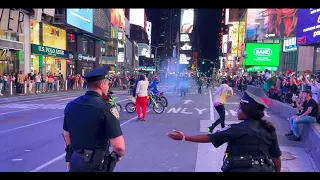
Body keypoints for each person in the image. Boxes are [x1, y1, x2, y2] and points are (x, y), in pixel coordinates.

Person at [167, 91, 282, 172]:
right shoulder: (269, 129)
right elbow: (276, 157)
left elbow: (210, 138)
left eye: (239, 108)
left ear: (247, 111)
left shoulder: (237, 129)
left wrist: (184, 137)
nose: (237, 111)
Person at [63, 65, 125, 172]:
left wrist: (69, 158)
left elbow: (66, 135)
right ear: (102, 85)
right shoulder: (106, 108)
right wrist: (117, 157)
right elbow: (119, 146)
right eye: (107, 84)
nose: (108, 87)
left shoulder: (71, 105)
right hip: (96, 164)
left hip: (76, 161)